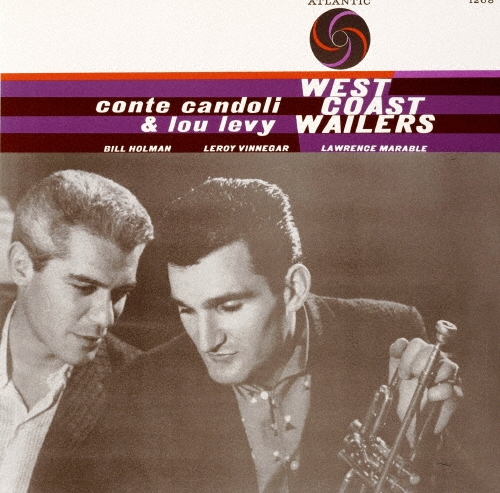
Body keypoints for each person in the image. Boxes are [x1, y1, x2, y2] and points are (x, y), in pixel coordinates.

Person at [70, 177, 463, 493]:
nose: (205, 341)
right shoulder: (140, 391)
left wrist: (427, 441)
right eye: (187, 310)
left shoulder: (388, 335)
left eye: (228, 307)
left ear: (293, 289)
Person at [0, 169, 154, 493]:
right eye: (84, 287)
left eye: (120, 293)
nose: (105, 318)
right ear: (21, 266)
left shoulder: (142, 395)